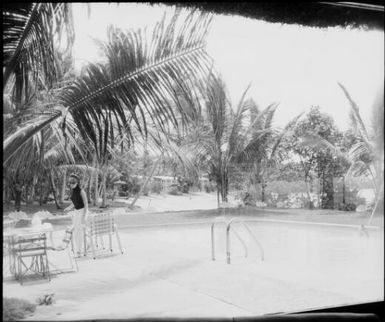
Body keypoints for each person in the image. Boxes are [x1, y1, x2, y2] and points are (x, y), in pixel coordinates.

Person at [64, 173, 88, 257]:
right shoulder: (73, 191)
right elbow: (74, 203)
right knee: (76, 232)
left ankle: (79, 251)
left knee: (79, 232)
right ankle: (82, 248)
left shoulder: (82, 191)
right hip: (76, 212)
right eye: (69, 182)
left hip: (82, 212)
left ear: (77, 182)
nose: (70, 184)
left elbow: (86, 205)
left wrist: (84, 217)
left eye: (72, 182)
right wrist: (68, 208)